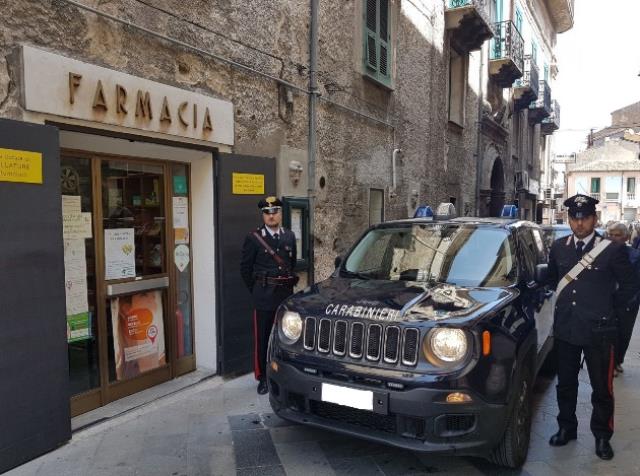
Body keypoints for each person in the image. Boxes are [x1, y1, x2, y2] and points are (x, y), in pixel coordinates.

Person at [547, 194, 638, 461]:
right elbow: (553, 279)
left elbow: (631, 286)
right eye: (574, 218)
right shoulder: (559, 248)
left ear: (594, 219)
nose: (579, 223)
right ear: (568, 220)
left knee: (602, 388)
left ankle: (601, 436)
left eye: (584, 218)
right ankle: (566, 428)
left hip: (600, 331)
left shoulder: (611, 249)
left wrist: (611, 310)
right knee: (565, 385)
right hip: (567, 329)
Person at [240, 196, 298, 395]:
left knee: (286, 337)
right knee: (263, 339)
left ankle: (283, 373)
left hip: (284, 296)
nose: (271, 216)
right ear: (263, 215)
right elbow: (245, 269)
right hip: (263, 296)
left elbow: (292, 265)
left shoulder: (289, 236)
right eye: (267, 212)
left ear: (281, 213)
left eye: (275, 212)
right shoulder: (253, 238)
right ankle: (263, 377)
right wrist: (257, 290)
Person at [605, 221, 640, 376]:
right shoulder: (600, 253)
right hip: (606, 300)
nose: (613, 238)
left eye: (617, 235)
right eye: (610, 235)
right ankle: (608, 363)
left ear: (625, 237)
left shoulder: (634, 255)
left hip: (628, 301)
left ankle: (618, 361)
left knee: (624, 333)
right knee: (607, 333)